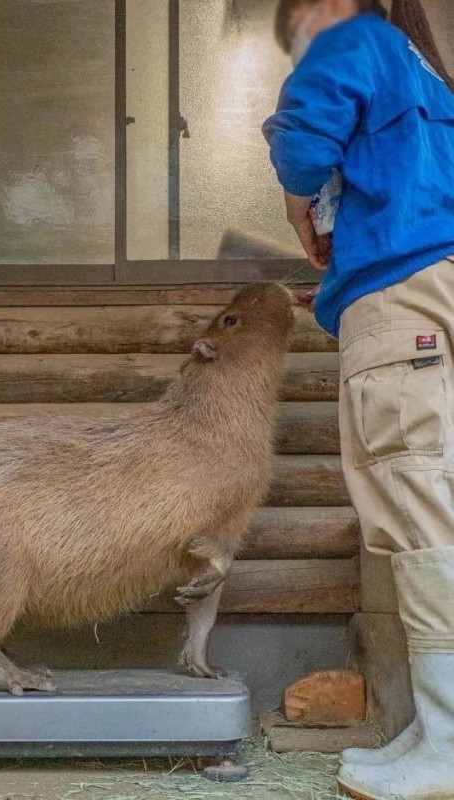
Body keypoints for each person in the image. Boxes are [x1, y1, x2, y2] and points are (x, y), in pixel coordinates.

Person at [262, 0, 454, 798]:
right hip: (435, 277)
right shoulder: (422, 67)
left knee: (412, 501)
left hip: (398, 294)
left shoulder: (350, 39)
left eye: (294, 26)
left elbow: (305, 137)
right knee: (436, 492)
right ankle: (429, 727)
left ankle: (446, 741)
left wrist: (295, 199)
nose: (300, 42)